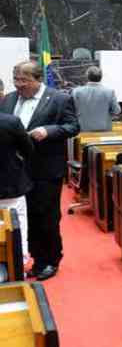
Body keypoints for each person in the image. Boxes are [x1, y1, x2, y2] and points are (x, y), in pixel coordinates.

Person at [0, 61, 80, 281]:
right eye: (15, 78)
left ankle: (50, 260)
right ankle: (28, 257)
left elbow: (73, 126)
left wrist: (49, 130)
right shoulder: (8, 99)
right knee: (21, 219)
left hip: (46, 169)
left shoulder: (59, 99)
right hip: (14, 171)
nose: (18, 84)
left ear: (38, 79)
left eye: (23, 80)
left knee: (45, 217)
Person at [0, 113, 34, 257]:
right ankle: (18, 267)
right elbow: (28, 149)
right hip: (9, 184)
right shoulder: (10, 121)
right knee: (16, 227)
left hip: (9, 184)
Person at [71, 66, 121, 132]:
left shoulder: (76, 91)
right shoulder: (109, 92)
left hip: (83, 129)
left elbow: (72, 111)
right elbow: (117, 111)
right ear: (101, 77)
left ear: (87, 77)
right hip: (104, 129)